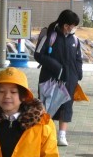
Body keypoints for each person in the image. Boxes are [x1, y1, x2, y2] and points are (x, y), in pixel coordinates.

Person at [34, 9, 83, 147]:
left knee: (66, 106)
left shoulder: (75, 39)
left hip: (69, 79)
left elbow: (78, 58)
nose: (73, 28)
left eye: (74, 26)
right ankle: (46, 133)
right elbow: (38, 54)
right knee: (47, 105)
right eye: (71, 25)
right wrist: (56, 67)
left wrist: (78, 73)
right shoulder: (50, 35)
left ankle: (62, 135)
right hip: (50, 78)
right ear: (64, 25)